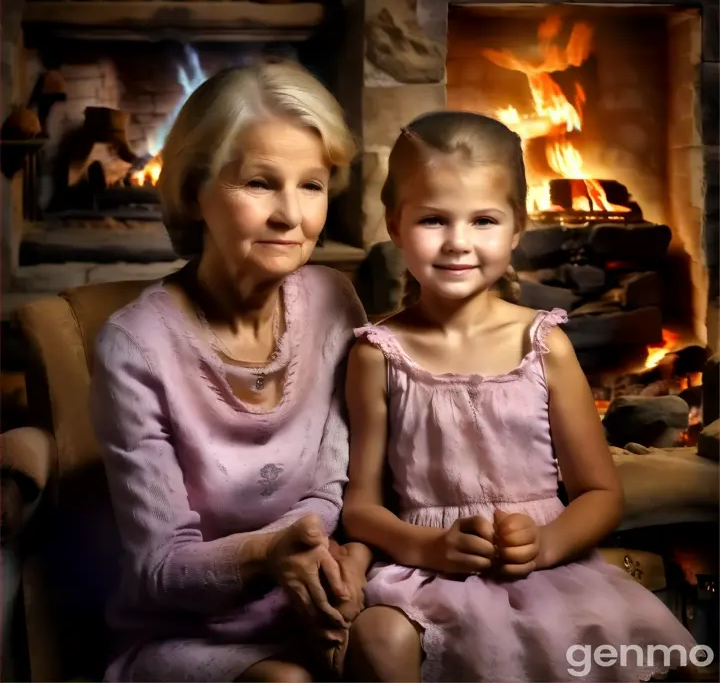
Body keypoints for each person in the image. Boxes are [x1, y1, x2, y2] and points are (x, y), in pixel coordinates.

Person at [341, 111, 697, 682]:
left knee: (597, 636)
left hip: (545, 565)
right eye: (433, 220)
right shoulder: (377, 355)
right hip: (429, 569)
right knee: (378, 634)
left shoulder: (543, 345)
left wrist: (549, 543)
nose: (459, 242)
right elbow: (360, 506)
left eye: (484, 220)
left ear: (516, 229)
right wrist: (430, 547)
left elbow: (600, 492)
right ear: (394, 222)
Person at [90, 61, 371, 683]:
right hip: (187, 630)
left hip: (319, 602)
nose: (290, 216)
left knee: (405, 641)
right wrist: (271, 555)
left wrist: (339, 556)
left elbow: (337, 482)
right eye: (259, 183)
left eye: (313, 185)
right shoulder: (135, 346)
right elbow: (158, 568)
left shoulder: (335, 303)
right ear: (194, 188)